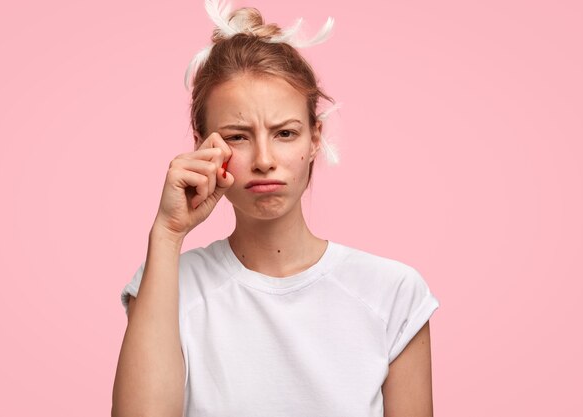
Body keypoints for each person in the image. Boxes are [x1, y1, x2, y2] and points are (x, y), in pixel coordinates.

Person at [111, 1, 440, 416]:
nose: (264, 159)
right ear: (203, 143)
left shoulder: (392, 293)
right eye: (238, 136)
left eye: (285, 133)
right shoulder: (168, 285)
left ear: (314, 137)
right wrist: (167, 232)